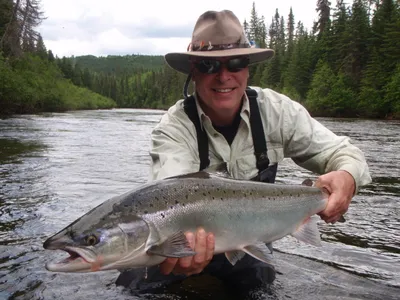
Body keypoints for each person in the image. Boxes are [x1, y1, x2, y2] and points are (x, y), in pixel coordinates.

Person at [116, 9, 372, 294]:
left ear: (248, 67)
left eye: (235, 63)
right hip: (191, 248)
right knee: (136, 285)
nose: (224, 76)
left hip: (251, 245)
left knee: (258, 286)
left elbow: (345, 153)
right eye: (209, 66)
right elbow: (171, 193)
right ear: (194, 70)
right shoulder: (174, 128)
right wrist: (180, 244)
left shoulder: (278, 112)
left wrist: (346, 177)